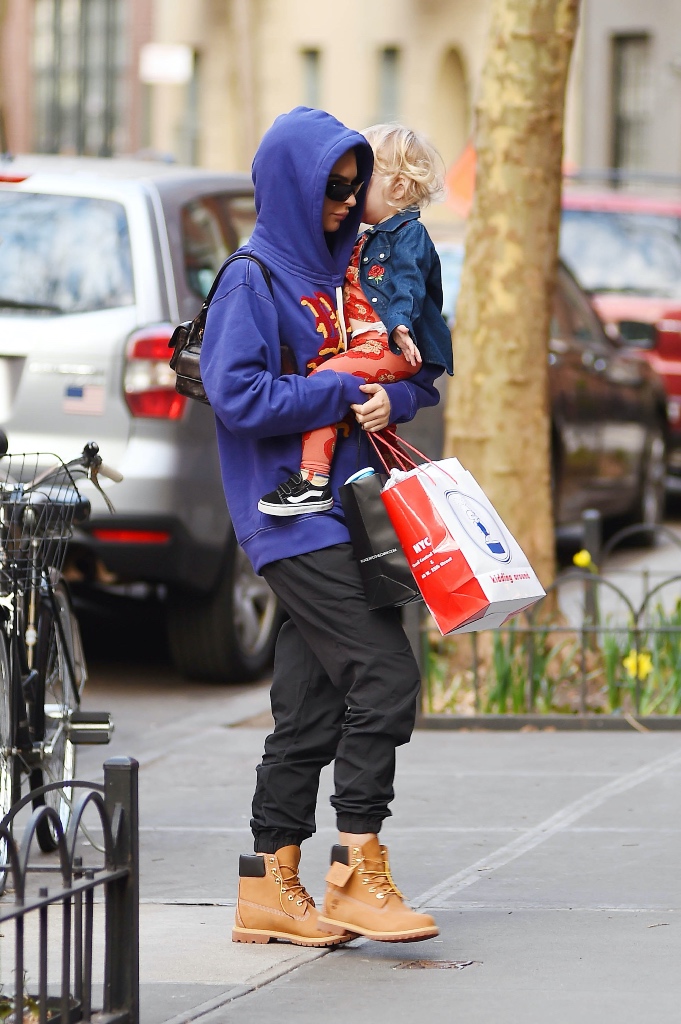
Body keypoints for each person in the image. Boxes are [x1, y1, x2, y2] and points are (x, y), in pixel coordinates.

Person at [200, 106, 445, 946]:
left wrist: (391, 395)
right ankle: (354, 870)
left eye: (353, 186)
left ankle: (269, 889)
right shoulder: (252, 279)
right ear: (290, 187)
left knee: (307, 708)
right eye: (331, 189)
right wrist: (338, 393)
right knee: (385, 675)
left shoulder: (350, 271)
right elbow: (238, 398)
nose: (345, 204)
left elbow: (415, 376)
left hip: (355, 513)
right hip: (288, 518)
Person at [257, 123, 453, 516]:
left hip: (390, 343)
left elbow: (409, 285)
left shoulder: (408, 235)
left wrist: (399, 323)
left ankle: (312, 481)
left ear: (397, 189)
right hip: (373, 346)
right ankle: (379, 489)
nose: (351, 192)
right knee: (368, 420)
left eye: (362, 180)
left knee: (325, 383)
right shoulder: (363, 237)